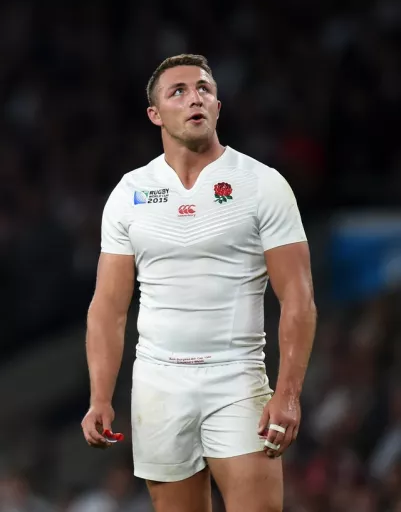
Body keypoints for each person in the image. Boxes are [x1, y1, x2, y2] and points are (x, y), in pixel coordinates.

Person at [81, 54, 317, 512]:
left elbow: (299, 299)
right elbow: (108, 306)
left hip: (236, 379)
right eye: (179, 92)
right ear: (155, 115)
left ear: (217, 106)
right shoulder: (130, 192)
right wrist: (99, 398)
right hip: (158, 385)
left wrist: (287, 393)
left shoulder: (261, 185)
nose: (195, 98)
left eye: (204, 89)